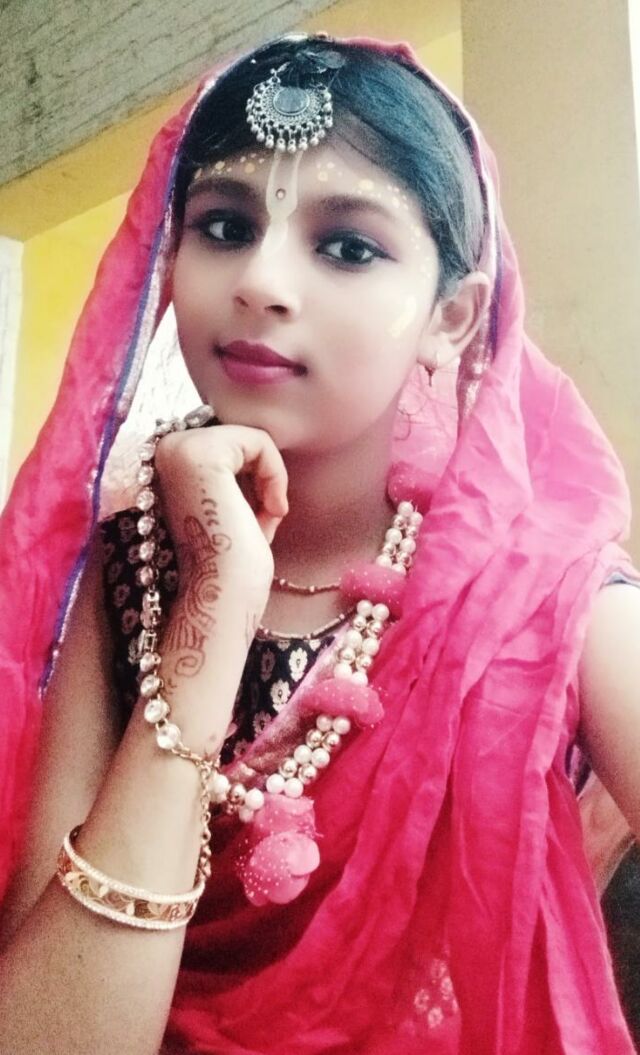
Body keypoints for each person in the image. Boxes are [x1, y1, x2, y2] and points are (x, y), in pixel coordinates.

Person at [0, 32, 639, 1055]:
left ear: (452, 318)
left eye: (346, 247)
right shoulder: (136, 566)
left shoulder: (543, 598)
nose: (259, 279)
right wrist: (211, 618)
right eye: (223, 226)